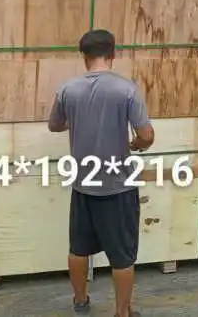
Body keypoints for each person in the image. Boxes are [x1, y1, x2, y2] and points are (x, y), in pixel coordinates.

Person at [48, 29, 155, 317]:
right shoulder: (126, 89)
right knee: (122, 257)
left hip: (83, 185)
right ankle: (122, 312)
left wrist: (79, 121)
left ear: (84, 56)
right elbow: (147, 135)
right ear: (113, 54)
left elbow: (54, 125)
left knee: (79, 248)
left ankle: (80, 301)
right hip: (118, 187)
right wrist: (136, 145)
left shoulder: (68, 89)